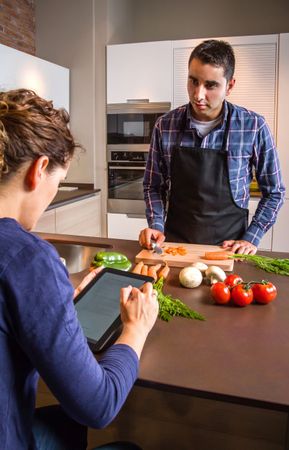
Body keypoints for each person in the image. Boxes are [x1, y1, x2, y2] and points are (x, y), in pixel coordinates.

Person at [0, 89, 159, 450]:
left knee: (64, 423)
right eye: (57, 184)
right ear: (40, 170)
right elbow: (98, 405)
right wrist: (135, 329)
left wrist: (52, 305)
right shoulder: (27, 259)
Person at [139, 39, 285, 256]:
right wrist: (157, 225)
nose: (198, 94)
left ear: (230, 85)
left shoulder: (253, 126)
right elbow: (153, 186)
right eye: (193, 81)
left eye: (210, 85)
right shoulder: (165, 126)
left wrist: (251, 238)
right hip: (176, 248)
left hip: (229, 249)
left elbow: (274, 193)